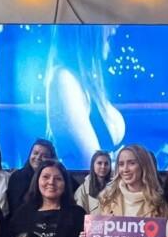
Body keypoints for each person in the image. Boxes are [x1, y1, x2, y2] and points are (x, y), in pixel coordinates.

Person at [45, 25, 125, 168]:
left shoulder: (85, 80)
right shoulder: (64, 79)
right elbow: (91, 164)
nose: (114, 29)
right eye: (107, 23)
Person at [6, 138, 56, 216]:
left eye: (44, 155)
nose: (38, 157)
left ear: (51, 159)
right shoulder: (17, 177)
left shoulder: (56, 178)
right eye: (35, 153)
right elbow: (14, 208)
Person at [74, 150, 113, 214]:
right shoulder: (83, 190)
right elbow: (79, 214)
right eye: (99, 163)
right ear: (93, 165)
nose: (103, 167)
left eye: (106, 164)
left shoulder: (116, 186)